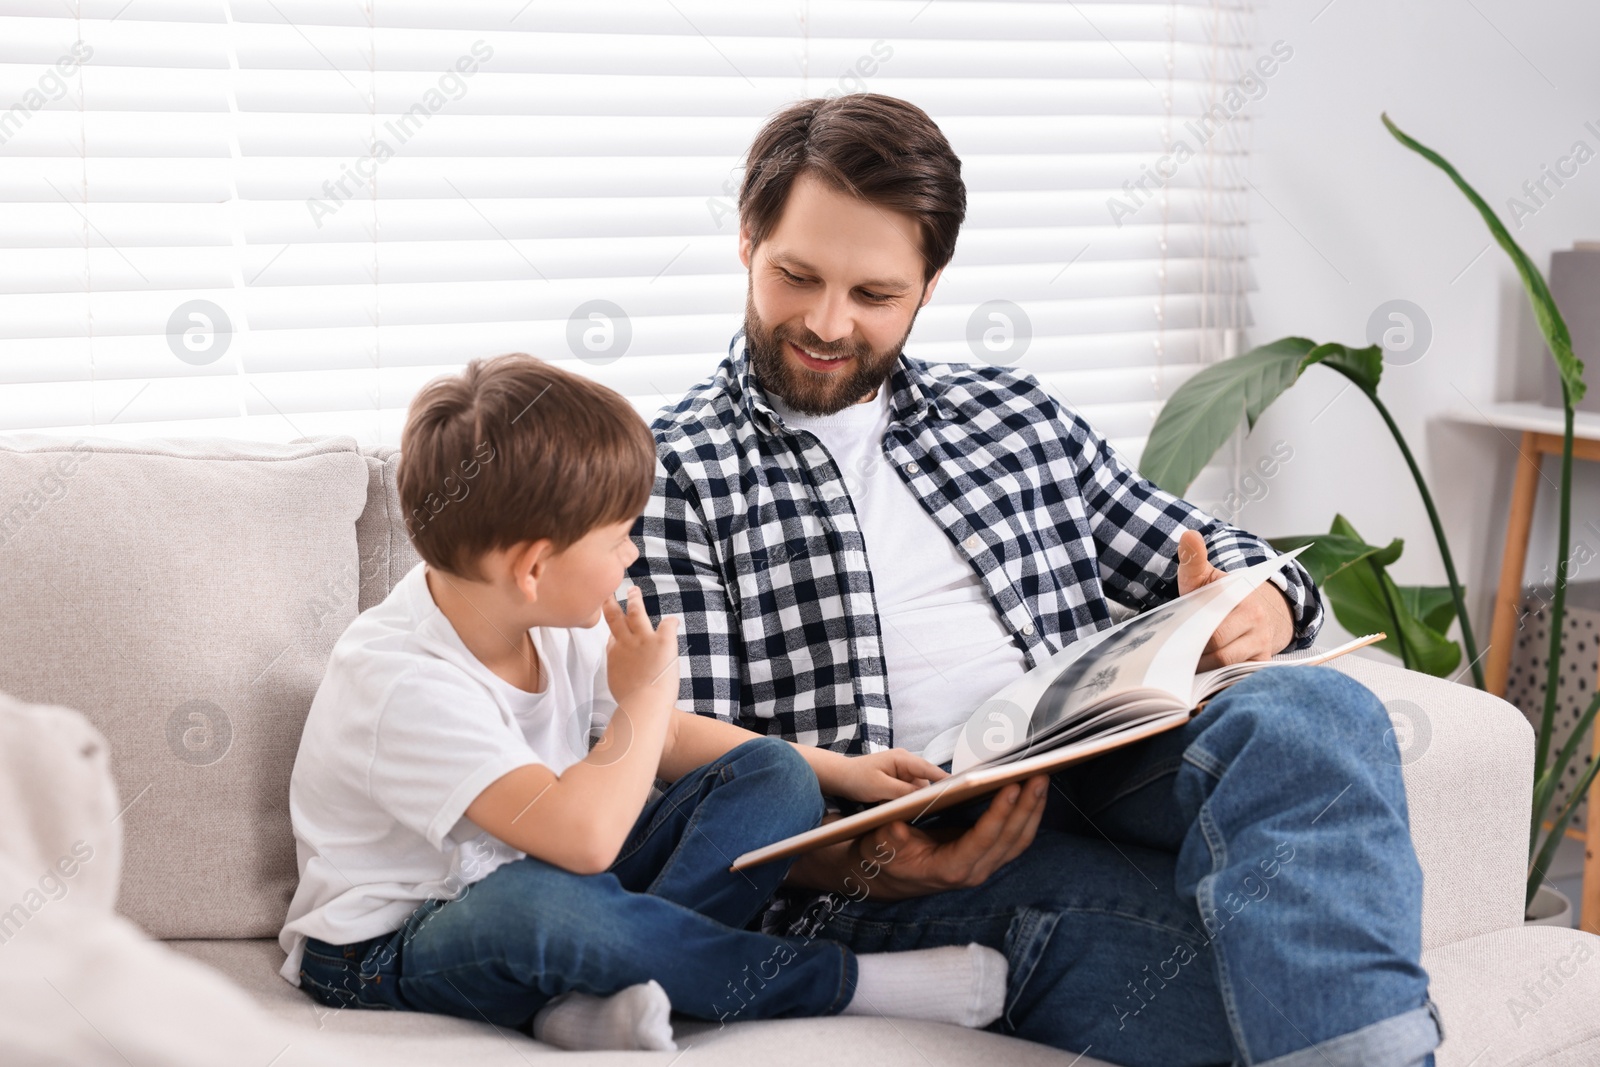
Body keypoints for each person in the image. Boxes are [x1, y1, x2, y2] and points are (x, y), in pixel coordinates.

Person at [628, 94, 1443, 1067]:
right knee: (1287, 991)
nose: (826, 322)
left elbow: (1234, 559)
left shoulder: (1012, 418)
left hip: (1088, 769)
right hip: (889, 859)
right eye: (794, 275)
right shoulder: (663, 473)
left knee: (1314, 707)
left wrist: (1254, 604)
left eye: (874, 294)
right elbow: (684, 780)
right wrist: (867, 866)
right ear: (746, 240)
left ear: (929, 283)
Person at [275, 354, 1010, 1050]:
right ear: (534, 568)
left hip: (551, 874)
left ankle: (588, 995)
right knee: (540, 908)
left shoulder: (545, 619)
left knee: (775, 775)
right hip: (390, 944)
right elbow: (584, 838)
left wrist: (839, 770)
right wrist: (645, 694)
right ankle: (840, 984)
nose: (631, 556)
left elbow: (662, 741)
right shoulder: (403, 682)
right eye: (619, 539)